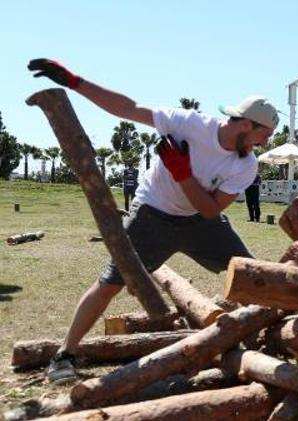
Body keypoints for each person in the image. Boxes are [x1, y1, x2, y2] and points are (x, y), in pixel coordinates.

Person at [28, 58, 279, 383]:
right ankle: (64, 355)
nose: (265, 142)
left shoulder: (246, 165)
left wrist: (183, 174)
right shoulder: (189, 124)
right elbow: (128, 108)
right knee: (110, 284)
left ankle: (275, 341)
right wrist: (75, 82)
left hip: (200, 223)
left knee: (253, 275)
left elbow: (209, 211)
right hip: (153, 215)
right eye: (265, 135)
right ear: (246, 125)